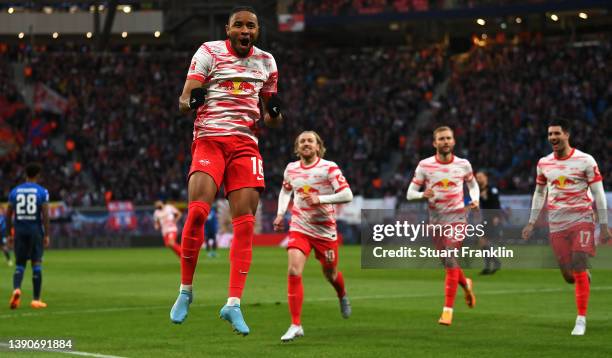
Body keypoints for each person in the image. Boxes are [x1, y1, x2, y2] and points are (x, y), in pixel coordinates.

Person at [169, 5, 283, 336]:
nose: (245, 31)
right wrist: (193, 100)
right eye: (239, 26)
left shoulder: (267, 62)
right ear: (228, 29)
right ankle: (185, 292)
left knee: (245, 224)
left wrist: (275, 113)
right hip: (210, 141)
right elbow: (184, 100)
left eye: (251, 26)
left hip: (246, 146)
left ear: (257, 32)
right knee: (198, 214)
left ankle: (233, 303)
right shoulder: (208, 52)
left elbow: (271, 115)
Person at [522, 119, 610, 336]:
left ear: (567, 134)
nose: (552, 137)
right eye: (550, 134)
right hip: (557, 224)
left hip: (581, 219)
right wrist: (532, 221)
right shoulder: (544, 163)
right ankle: (583, 276)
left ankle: (581, 320)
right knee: (568, 275)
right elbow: (540, 193)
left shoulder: (585, 160)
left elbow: (598, 193)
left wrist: (605, 224)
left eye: (556, 133)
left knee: (579, 263)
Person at [273, 131, 353, 342]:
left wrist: (321, 199)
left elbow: (347, 195)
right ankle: (295, 324)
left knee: (331, 274)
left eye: (310, 141)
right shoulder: (291, 169)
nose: (306, 144)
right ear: (297, 147)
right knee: (293, 270)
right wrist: (281, 213)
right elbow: (285, 191)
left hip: (325, 233)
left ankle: (342, 294)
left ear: (318, 146)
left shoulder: (329, 167)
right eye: (302, 141)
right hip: (300, 227)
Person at [406, 126, 479, 326]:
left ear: (453, 141)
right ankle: (466, 284)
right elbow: (410, 193)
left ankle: (447, 310)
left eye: (448, 138)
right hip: (436, 222)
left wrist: (475, 199)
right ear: (434, 143)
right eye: (441, 139)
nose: (445, 141)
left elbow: (472, 185)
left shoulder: (463, 164)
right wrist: (422, 194)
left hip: (457, 219)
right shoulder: (425, 165)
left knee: (449, 257)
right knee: (449, 262)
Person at [6, 163, 50, 309]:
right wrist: (47, 234)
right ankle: (36, 300)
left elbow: (8, 215)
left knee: (19, 265)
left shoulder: (14, 191)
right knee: (36, 264)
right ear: (37, 175)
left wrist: (9, 234)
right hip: (35, 231)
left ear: (26, 174)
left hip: (19, 231)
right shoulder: (42, 192)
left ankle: (16, 289)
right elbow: (45, 214)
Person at [475, 171, 502, 275]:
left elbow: (496, 203)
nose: (478, 179)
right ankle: (494, 263)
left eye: (480, 177)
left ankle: (491, 265)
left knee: (485, 242)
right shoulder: (479, 190)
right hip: (485, 218)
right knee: (482, 242)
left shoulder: (492, 189)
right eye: (477, 177)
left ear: (485, 177)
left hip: (492, 218)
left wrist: (496, 216)